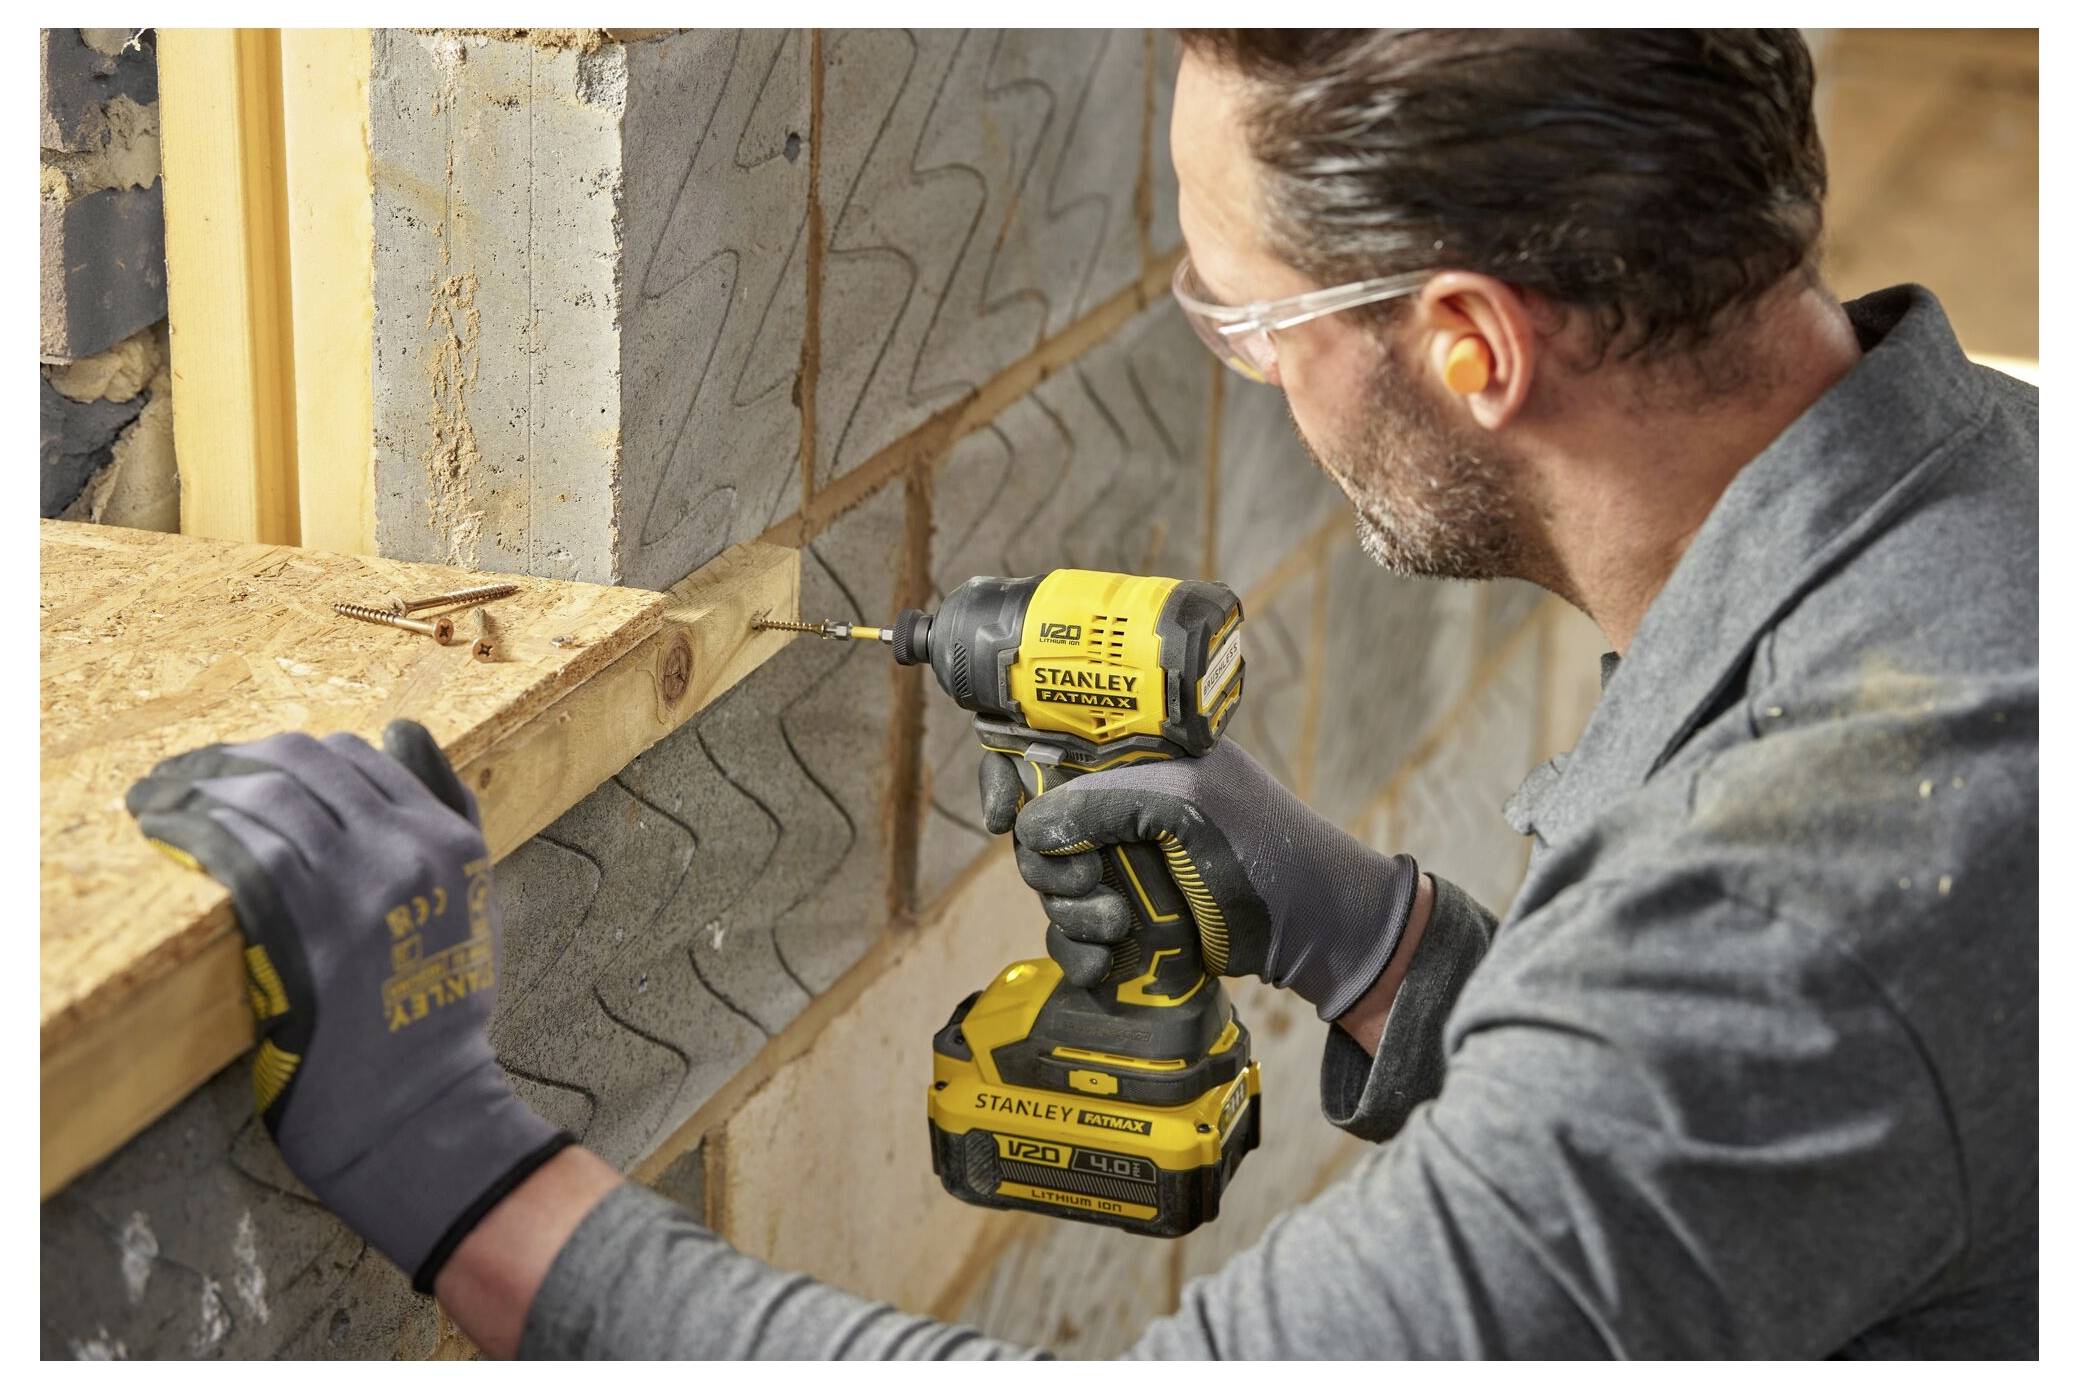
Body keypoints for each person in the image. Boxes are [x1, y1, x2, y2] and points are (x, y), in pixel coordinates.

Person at [127, 29, 2036, 1358]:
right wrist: (1391, 954)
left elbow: (1761, 1018)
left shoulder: (1807, 895)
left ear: (1468, 347)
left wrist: (451, 1165)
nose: (1246, 375)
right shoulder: (1999, 485)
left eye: (1245, 318)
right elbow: (1803, 1136)